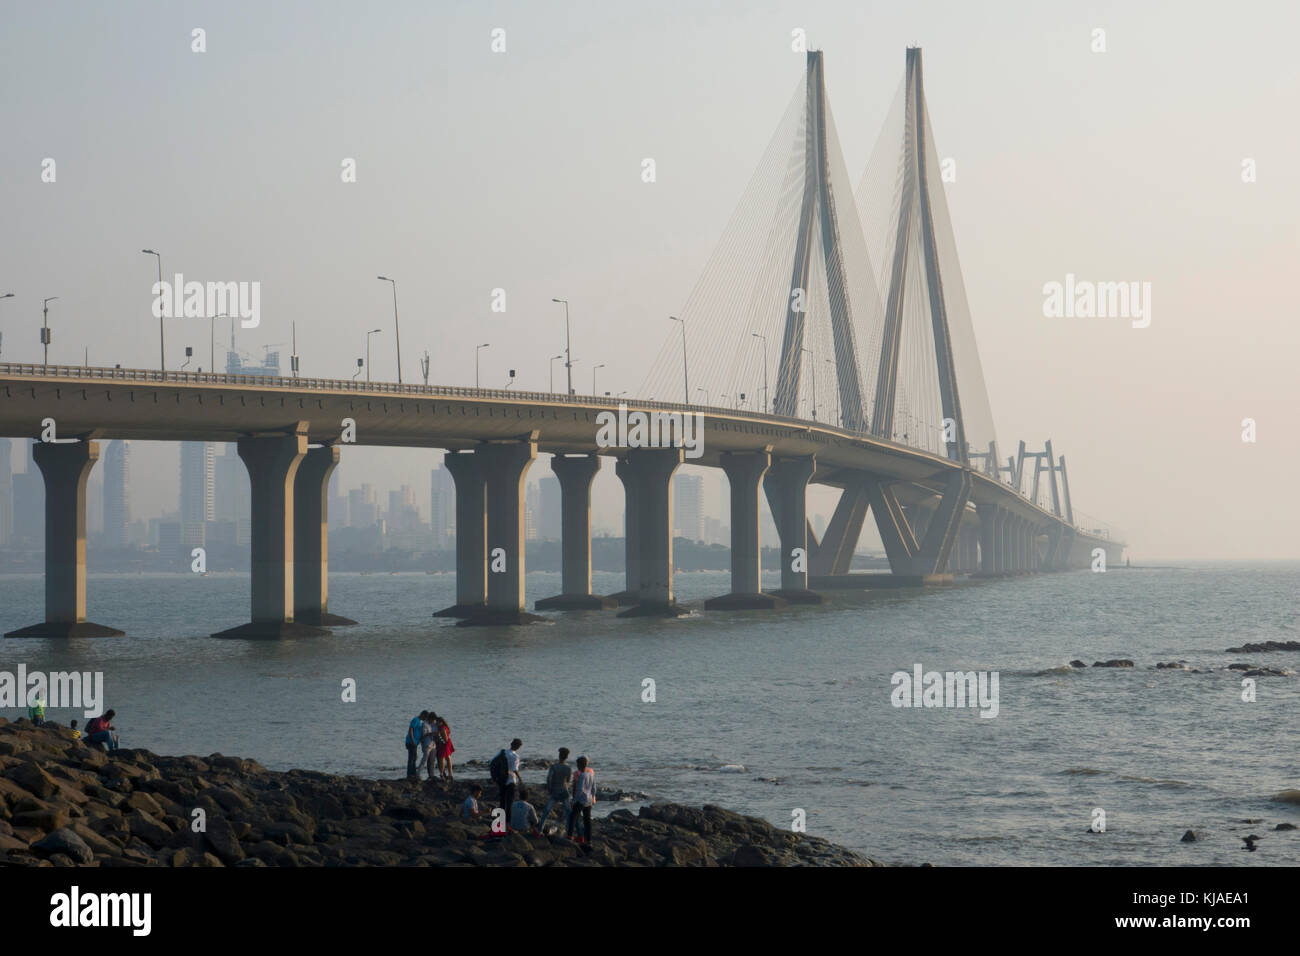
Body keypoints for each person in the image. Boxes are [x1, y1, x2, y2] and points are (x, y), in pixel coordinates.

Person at [537, 747, 572, 833]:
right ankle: (568, 831)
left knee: (546, 811)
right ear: (567, 757)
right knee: (568, 812)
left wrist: (549, 789)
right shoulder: (568, 768)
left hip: (554, 791)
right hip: (564, 791)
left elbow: (549, 778)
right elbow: (568, 781)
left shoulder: (554, 766)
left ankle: (539, 829)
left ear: (559, 755)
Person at [567, 755, 596, 845]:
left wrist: (574, 800)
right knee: (587, 820)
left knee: (573, 817)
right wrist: (592, 797)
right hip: (589, 800)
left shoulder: (582, 776)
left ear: (579, 765)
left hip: (581, 800)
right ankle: (589, 840)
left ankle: (569, 836)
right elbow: (594, 788)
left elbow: (579, 790)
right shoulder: (591, 775)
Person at [491, 738, 523, 817]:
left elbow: (492, 761)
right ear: (518, 747)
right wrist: (520, 779)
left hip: (501, 779)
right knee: (509, 802)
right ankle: (508, 820)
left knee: (502, 800)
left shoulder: (502, 752)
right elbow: (515, 769)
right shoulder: (515, 756)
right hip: (511, 780)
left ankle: (500, 818)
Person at [405, 711, 426, 779]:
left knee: (414, 758)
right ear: (422, 715)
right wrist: (413, 740)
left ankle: (413, 773)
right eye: (425, 717)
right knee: (411, 758)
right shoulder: (415, 720)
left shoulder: (419, 721)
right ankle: (409, 774)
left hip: (415, 742)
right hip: (411, 742)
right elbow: (411, 730)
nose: (425, 719)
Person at [435, 715, 455, 782]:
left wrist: (439, 740)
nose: (436, 723)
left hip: (444, 744)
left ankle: (442, 774)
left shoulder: (442, 728)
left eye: (438, 722)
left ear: (441, 722)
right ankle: (450, 774)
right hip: (447, 743)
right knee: (448, 759)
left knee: (442, 759)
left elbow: (445, 739)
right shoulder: (446, 727)